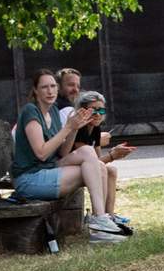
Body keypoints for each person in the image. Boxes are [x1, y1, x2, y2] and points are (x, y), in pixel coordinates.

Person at [13, 68, 122, 242]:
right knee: (97, 168)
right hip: (30, 178)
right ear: (35, 90)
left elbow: (63, 152)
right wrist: (68, 127)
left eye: (53, 86)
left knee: (93, 159)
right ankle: (100, 224)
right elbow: (41, 153)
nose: (50, 91)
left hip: (49, 168)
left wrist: (74, 128)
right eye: (44, 87)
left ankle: (100, 220)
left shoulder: (53, 111)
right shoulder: (30, 111)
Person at [60, 89, 138, 230]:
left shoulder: (95, 128)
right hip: (69, 167)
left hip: (85, 166)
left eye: (101, 111)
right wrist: (112, 155)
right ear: (83, 111)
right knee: (104, 168)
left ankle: (109, 216)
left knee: (111, 170)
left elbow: (97, 159)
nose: (98, 114)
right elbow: (94, 162)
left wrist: (112, 155)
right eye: (93, 110)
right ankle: (98, 216)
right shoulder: (80, 128)